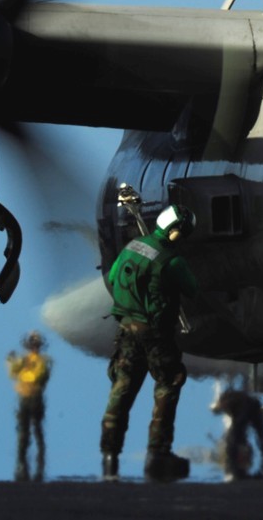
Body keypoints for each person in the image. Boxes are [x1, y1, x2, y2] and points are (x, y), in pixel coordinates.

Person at [100, 186, 199, 482]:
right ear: (176, 232)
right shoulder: (172, 260)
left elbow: (114, 275)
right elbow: (192, 289)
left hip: (126, 331)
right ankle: (157, 456)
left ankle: (109, 461)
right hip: (156, 335)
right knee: (168, 384)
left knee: (121, 391)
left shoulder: (132, 247)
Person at [6, 330, 52, 481]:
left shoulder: (44, 360)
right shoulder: (24, 360)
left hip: (35, 398)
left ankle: (40, 462)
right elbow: (13, 373)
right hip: (23, 398)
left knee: (37, 429)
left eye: (36, 344)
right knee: (23, 430)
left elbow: (38, 376)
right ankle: (21, 461)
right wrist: (11, 361)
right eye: (32, 344)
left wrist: (22, 370)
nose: (33, 347)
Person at [211, 388, 263, 480]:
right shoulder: (228, 400)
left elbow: (238, 422)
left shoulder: (226, 401)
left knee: (234, 438)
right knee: (258, 439)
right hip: (254, 409)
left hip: (248, 410)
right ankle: (261, 467)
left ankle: (240, 469)